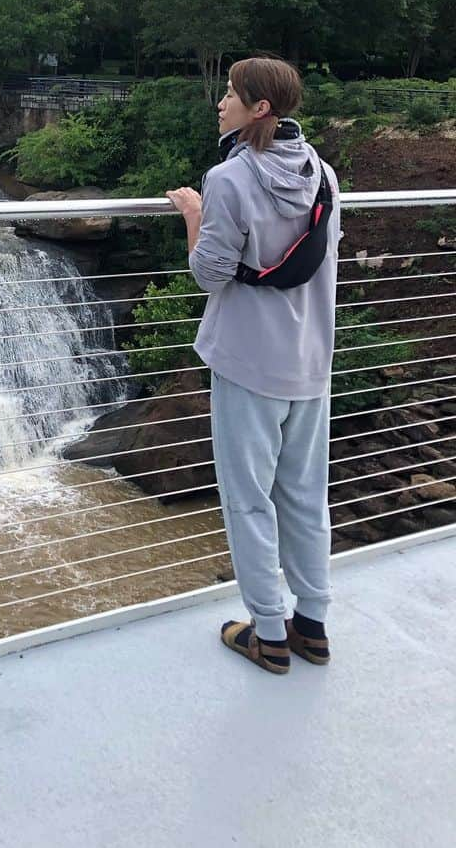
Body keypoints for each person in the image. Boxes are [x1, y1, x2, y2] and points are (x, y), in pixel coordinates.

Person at [166, 56, 339, 674]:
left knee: (248, 500)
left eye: (232, 94)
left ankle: (267, 632)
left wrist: (194, 216)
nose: (221, 102)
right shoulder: (322, 173)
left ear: (258, 108)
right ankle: (312, 624)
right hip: (310, 360)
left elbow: (211, 275)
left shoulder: (229, 179)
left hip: (247, 363)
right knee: (304, 492)